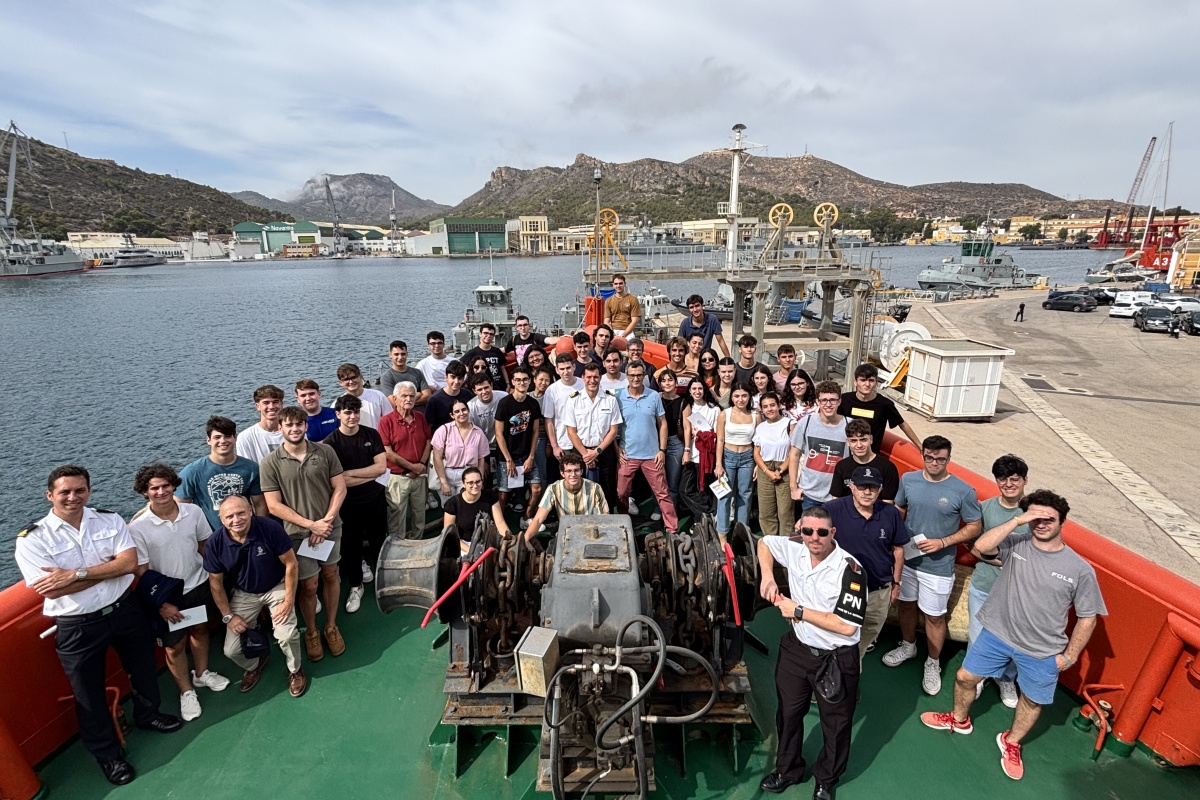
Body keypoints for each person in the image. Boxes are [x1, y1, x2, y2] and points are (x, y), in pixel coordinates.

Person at [922, 490, 1107, 782]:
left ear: (1062, 521)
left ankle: (1011, 742)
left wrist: (1070, 656)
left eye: (1048, 518)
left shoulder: (1080, 569)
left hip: (1042, 650)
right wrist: (1020, 520)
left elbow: (1088, 617)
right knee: (964, 679)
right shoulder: (1016, 544)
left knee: (1032, 701)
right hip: (996, 633)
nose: (1041, 524)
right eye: (1035, 518)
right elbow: (981, 546)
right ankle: (959, 721)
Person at [15, 465, 182, 786]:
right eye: (64, 492)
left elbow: (129, 564)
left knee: (144, 667)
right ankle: (108, 756)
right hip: (78, 624)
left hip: (124, 610)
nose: (72, 497)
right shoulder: (32, 540)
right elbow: (51, 588)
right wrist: (108, 568)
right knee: (88, 694)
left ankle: (148, 715)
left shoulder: (109, 519)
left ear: (89, 491)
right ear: (50, 495)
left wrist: (74, 574)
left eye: (79, 490)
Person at [756, 506, 868, 799]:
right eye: (808, 531)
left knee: (836, 724)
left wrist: (799, 611)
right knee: (789, 714)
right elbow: (764, 542)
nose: (814, 538)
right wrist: (767, 576)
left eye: (821, 532)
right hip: (797, 649)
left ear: (832, 533)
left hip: (835, 658)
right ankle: (788, 769)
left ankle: (826, 780)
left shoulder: (851, 570)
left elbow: (846, 627)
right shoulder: (796, 547)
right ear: (801, 531)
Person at [883, 435, 983, 695]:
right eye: (930, 457)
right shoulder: (908, 480)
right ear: (923, 455)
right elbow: (900, 510)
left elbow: (975, 526)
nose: (935, 462)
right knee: (905, 605)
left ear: (949, 459)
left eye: (941, 458)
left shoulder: (963, 491)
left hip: (938, 568)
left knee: (934, 617)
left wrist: (944, 542)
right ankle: (908, 645)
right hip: (907, 561)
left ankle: (933, 662)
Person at [129, 463, 227, 722]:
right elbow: (141, 570)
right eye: (154, 488)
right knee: (174, 647)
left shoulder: (192, 512)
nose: (161, 491)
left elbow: (204, 545)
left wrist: (217, 578)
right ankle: (186, 692)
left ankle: (202, 673)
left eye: (165, 485)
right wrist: (161, 604)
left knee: (200, 630)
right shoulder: (137, 529)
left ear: (174, 485)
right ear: (144, 492)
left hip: (198, 585)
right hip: (168, 598)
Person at [260, 406, 348, 663]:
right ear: (280, 428)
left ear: (306, 426)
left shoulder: (326, 452)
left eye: (299, 424)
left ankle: (331, 626)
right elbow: (274, 505)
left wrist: (326, 522)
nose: (295, 429)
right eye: (289, 425)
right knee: (309, 585)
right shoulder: (270, 463)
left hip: (330, 528)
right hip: (297, 535)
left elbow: (340, 488)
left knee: (331, 575)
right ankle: (311, 631)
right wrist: (311, 525)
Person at [204, 495, 305, 699]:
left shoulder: (269, 528)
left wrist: (288, 600)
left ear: (250, 510)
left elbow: (291, 564)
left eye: (241, 512)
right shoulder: (215, 543)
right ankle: (255, 663)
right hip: (245, 593)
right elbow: (215, 584)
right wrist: (228, 616)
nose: (236, 519)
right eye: (229, 516)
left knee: (286, 635)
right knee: (231, 650)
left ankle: (295, 670)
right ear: (221, 519)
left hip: (276, 586)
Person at [825, 466, 909, 662]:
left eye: (873, 487)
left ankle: (852, 675)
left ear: (880, 490)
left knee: (863, 642)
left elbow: (898, 549)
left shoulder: (891, 513)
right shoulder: (831, 510)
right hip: (838, 591)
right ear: (852, 487)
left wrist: (896, 584)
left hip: (877, 592)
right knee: (831, 641)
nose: (867, 492)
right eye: (862, 487)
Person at [966, 454, 1030, 707]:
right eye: (1002, 478)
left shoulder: (1035, 513)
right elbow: (973, 548)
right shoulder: (985, 508)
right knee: (977, 634)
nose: (1008, 484)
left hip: (1019, 593)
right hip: (984, 586)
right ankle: (977, 677)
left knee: (1014, 639)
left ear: (1025, 480)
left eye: (1015, 479)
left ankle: (1006, 678)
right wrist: (1002, 563)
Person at [322, 394, 388, 614]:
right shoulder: (331, 443)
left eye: (356, 412)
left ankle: (383, 580)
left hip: (375, 498)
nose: (352, 416)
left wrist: (349, 473)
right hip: (348, 503)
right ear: (338, 414)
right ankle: (356, 585)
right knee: (352, 545)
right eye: (348, 412)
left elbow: (380, 468)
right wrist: (356, 476)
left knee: (380, 539)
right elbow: (337, 481)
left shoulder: (371, 434)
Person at [615, 361, 679, 532]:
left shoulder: (653, 396)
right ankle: (624, 524)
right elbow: (612, 426)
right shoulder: (618, 397)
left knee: (662, 493)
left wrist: (662, 450)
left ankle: (672, 528)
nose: (635, 378)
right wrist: (616, 448)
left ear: (644, 376)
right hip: (627, 454)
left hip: (652, 454)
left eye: (639, 375)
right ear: (626, 377)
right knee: (621, 493)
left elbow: (662, 423)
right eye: (632, 375)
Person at [177, 415, 268, 529]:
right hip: (210, 536)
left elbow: (259, 504)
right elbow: (179, 508)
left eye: (227, 436)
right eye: (217, 437)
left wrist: (261, 530)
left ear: (235, 437)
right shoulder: (192, 472)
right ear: (208, 440)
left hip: (245, 532)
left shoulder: (251, 468)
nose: (223, 441)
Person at [562, 362, 623, 508]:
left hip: (603, 450)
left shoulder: (611, 399)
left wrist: (596, 452)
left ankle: (607, 521)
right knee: (578, 489)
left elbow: (613, 430)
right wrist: (586, 455)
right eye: (588, 377)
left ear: (600, 378)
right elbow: (571, 431)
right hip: (580, 451)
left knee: (607, 489)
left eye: (595, 377)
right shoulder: (573, 400)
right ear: (583, 378)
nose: (592, 380)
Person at [378, 382, 433, 541]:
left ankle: (417, 543)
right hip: (398, 478)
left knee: (419, 513)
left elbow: (428, 442)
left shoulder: (420, 417)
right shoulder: (386, 421)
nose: (409, 399)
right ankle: (397, 547)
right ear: (395, 399)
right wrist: (412, 467)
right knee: (398, 516)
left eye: (411, 396)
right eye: (404, 396)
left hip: (420, 476)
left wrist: (421, 465)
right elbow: (387, 451)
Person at [522, 451, 609, 542]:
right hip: (566, 534)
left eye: (576, 470)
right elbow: (539, 519)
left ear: (581, 471)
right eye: (569, 471)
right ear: (562, 473)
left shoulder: (595, 488)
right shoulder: (553, 489)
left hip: (590, 534)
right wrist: (525, 539)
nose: (573, 475)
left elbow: (605, 517)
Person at [788, 380, 848, 511]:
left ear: (839, 401)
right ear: (817, 402)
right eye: (824, 400)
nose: (828, 404)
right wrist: (794, 487)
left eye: (832, 400)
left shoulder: (849, 426)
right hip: (809, 494)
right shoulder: (806, 422)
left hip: (837, 496)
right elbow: (794, 454)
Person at [838, 363, 921, 455]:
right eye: (863, 380)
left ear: (876, 383)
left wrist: (921, 447)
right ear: (855, 382)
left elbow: (902, 424)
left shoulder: (884, 404)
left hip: (870, 457)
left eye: (871, 380)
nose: (867, 384)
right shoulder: (844, 400)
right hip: (845, 454)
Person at [495, 366, 544, 514]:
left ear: (530, 381)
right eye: (518, 380)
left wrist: (531, 456)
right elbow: (499, 434)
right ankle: (499, 521)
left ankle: (526, 518)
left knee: (536, 489)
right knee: (504, 493)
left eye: (524, 379)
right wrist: (508, 459)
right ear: (513, 382)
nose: (521, 383)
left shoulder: (533, 404)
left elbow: (535, 432)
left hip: (525, 455)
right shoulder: (504, 404)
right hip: (506, 456)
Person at [716, 384, 759, 540]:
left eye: (744, 396)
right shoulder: (724, 414)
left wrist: (756, 464)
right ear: (731, 397)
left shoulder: (755, 415)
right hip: (728, 457)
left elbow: (758, 442)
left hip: (747, 457)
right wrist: (718, 464)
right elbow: (719, 440)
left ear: (749, 397)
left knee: (745, 495)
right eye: (737, 396)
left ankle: (742, 532)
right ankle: (722, 532)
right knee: (724, 495)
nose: (740, 400)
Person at [752, 392, 795, 537]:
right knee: (766, 511)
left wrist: (780, 470)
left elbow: (794, 451)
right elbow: (756, 453)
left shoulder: (790, 423)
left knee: (785, 512)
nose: (769, 409)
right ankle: (770, 542)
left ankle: (785, 543)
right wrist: (766, 471)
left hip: (785, 469)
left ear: (779, 405)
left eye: (772, 405)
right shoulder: (761, 427)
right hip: (766, 469)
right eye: (765, 407)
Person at [828, 419, 900, 503]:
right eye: (854, 441)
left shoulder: (888, 468)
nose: (859, 445)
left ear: (871, 439)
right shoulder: (842, 466)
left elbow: (888, 503)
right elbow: (836, 499)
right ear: (848, 442)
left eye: (863, 440)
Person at [431, 399, 489, 498]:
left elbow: (481, 459)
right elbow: (437, 458)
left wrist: (480, 480)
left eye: (464, 410)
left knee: (466, 506)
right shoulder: (443, 430)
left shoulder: (478, 432)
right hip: (447, 473)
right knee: (448, 507)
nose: (461, 413)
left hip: (469, 474)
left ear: (468, 411)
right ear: (452, 415)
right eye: (457, 411)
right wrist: (444, 482)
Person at [444, 467, 511, 540]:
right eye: (470, 483)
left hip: (488, 540)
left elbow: (500, 523)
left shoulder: (490, 496)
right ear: (463, 484)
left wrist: (508, 539)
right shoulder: (452, 504)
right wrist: (470, 550)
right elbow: (450, 536)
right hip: (464, 544)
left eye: (478, 481)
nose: (475, 486)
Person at [544, 352, 582, 466]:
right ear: (557, 370)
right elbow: (549, 420)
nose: (566, 372)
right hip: (563, 443)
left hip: (583, 442)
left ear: (574, 367)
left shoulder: (584, 384)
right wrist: (554, 446)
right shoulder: (551, 390)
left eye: (568, 368)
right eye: (562, 369)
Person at [681, 378, 720, 487]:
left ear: (704, 390)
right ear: (689, 390)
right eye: (694, 389)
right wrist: (686, 451)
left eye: (700, 388)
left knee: (704, 490)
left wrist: (701, 435)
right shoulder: (688, 408)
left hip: (708, 454)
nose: (697, 392)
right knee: (685, 490)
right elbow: (685, 429)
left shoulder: (714, 409)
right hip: (692, 453)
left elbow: (717, 434)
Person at [657, 370, 686, 508]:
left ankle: (671, 511)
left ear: (676, 382)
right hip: (656, 443)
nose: (667, 383)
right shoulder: (655, 398)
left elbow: (687, 428)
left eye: (670, 380)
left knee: (673, 482)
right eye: (664, 380)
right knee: (657, 479)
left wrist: (687, 450)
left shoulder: (683, 402)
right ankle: (659, 508)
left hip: (675, 443)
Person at [236, 385, 285, 463]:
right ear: (258, 406)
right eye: (266, 403)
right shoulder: (245, 437)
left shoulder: (294, 432)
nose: (271, 406)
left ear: (281, 404)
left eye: (275, 402)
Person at [335, 363, 391, 430]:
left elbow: (390, 420)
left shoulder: (378, 396)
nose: (351, 382)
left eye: (353, 377)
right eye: (346, 379)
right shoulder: (336, 405)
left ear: (360, 377)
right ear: (340, 382)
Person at [468, 373, 508, 464]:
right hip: (484, 448)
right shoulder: (470, 407)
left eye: (486, 387)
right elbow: (471, 435)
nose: (484, 391)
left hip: (504, 444)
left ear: (491, 385)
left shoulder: (504, 397)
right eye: (479, 389)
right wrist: (480, 458)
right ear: (474, 391)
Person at [381, 339, 432, 404]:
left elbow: (427, 396)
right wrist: (418, 394)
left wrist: (404, 402)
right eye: (396, 354)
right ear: (390, 355)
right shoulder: (387, 377)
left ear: (407, 354)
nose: (400, 357)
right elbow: (394, 402)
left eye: (403, 354)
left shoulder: (417, 373)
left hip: (420, 413)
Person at [424, 359, 468, 433]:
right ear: (446, 378)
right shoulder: (435, 399)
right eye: (453, 377)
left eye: (460, 378)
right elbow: (428, 426)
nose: (456, 382)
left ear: (464, 379)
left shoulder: (468, 395)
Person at [464, 324, 510, 391]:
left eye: (491, 334)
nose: (488, 336)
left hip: (499, 386)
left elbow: (502, 369)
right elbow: (462, 364)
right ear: (480, 334)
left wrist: (507, 384)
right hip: (482, 387)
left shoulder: (497, 351)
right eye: (485, 333)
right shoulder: (472, 353)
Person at [603, 273, 641, 338]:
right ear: (613, 285)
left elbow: (634, 321)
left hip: (628, 331)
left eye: (620, 283)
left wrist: (623, 335)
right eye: (616, 284)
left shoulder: (633, 299)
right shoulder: (608, 301)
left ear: (625, 284)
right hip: (613, 330)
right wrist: (612, 334)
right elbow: (606, 321)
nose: (618, 286)